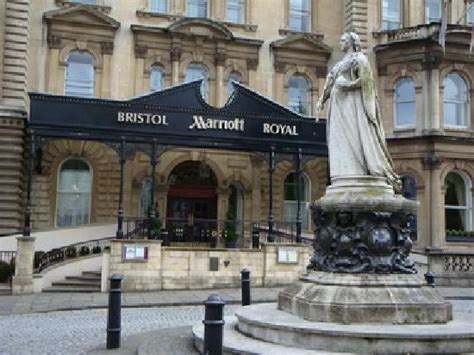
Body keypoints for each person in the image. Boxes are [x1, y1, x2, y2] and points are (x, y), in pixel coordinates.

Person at [315, 32, 401, 192]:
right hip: (338, 104)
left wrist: (348, 85)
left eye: (343, 40)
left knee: (353, 136)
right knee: (339, 139)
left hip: (352, 105)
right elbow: (331, 81)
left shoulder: (359, 59)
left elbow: (366, 81)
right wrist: (322, 99)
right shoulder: (340, 64)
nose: (340, 43)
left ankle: (358, 170)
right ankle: (343, 171)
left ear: (351, 42)